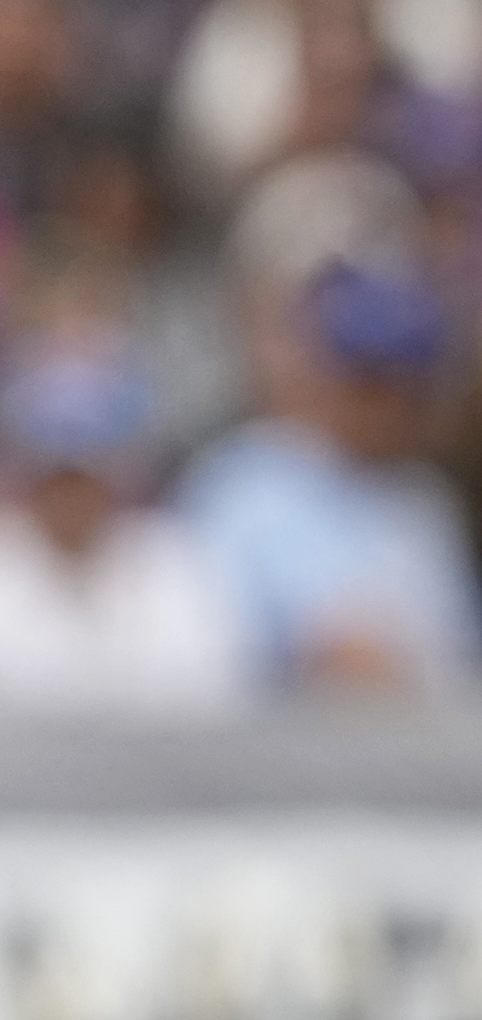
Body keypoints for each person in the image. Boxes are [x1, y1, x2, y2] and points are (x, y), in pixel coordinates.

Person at [0, 344, 254, 723]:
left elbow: (207, 701)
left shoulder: (180, 568)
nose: (72, 497)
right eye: (55, 477)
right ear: (19, 472)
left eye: (89, 476)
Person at [175, 263, 481, 699]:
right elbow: (206, 659)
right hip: (264, 753)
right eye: (372, 383)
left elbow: (461, 658)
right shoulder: (245, 483)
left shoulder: (424, 500)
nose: (393, 408)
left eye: (412, 389)